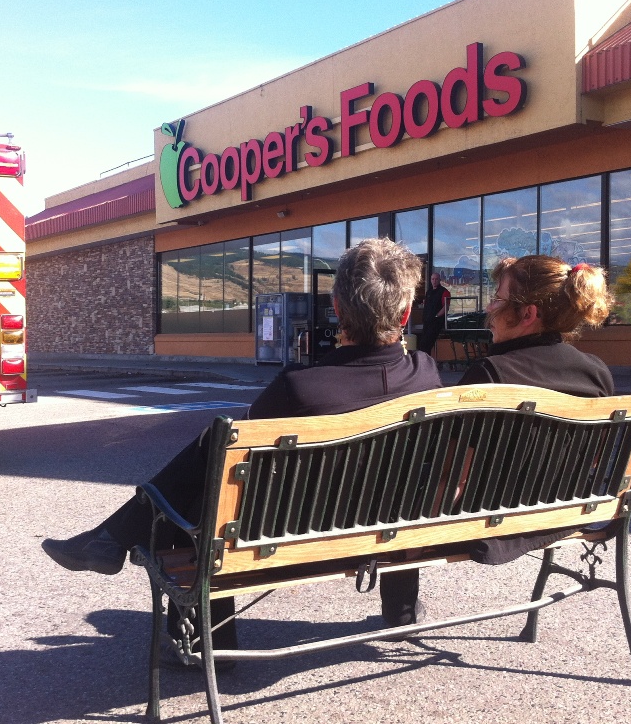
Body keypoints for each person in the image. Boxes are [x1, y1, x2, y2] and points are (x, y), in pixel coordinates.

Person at [41, 237, 443, 646]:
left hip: (298, 535)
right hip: (398, 525)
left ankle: (197, 635)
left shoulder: (301, 388)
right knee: (397, 485)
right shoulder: (426, 375)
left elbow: (226, 462)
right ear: (406, 313)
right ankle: (402, 613)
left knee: (202, 482)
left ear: (336, 308)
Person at [381, 254, 616, 625]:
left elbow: (453, 473)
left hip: (490, 523)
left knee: (399, 491)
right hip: (564, 513)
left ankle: (402, 613)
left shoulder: (492, 373)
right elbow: (591, 460)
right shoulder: (596, 371)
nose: (489, 308)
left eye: (498, 299)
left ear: (528, 314)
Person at [418, 271, 450, 354]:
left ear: (439, 280)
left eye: (436, 279)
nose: (434, 281)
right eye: (433, 279)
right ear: (430, 280)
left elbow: (446, 307)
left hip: (436, 323)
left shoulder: (444, 292)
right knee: (422, 345)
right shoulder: (429, 292)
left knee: (425, 344)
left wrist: (436, 316)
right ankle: (425, 364)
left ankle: (426, 364)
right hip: (427, 322)